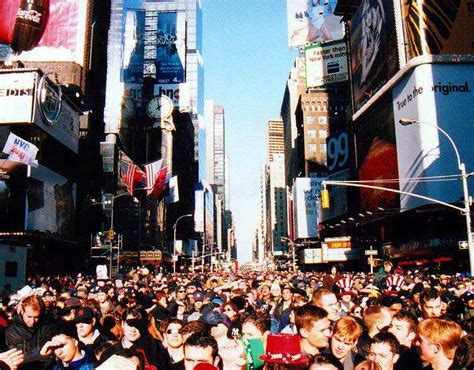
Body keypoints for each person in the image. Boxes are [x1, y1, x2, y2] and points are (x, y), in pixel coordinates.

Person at [5, 294, 56, 359]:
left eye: (36, 317)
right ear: (22, 312)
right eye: (29, 317)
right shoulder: (12, 331)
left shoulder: (48, 327)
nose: (32, 321)